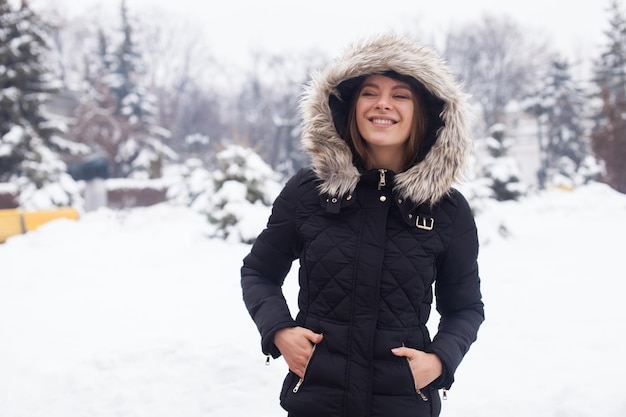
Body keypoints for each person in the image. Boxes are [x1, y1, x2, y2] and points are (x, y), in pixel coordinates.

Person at [241, 33, 484, 417]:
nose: (383, 104)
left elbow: (465, 308)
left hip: (402, 405)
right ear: (349, 106)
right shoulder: (309, 191)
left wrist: (438, 361)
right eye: (369, 93)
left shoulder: (447, 211)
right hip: (316, 403)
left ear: (424, 112)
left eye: (400, 95)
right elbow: (258, 272)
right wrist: (279, 332)